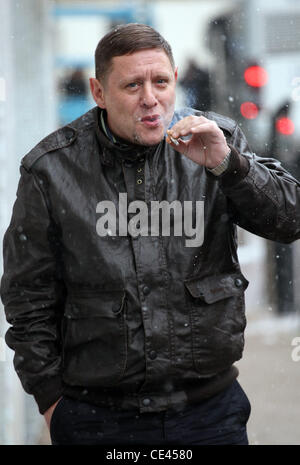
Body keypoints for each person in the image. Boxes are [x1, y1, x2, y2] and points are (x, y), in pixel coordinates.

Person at [1, 23, 300, 446]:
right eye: (131, 85)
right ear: (99, 92)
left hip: (208, 413)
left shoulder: (216, 140)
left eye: (160, 81)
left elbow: (290, 220)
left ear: (175, 80)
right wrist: (51, 400)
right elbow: (26, 295)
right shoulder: (52, 169)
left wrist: (228, 165)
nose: (150, 98)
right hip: (96, 417)